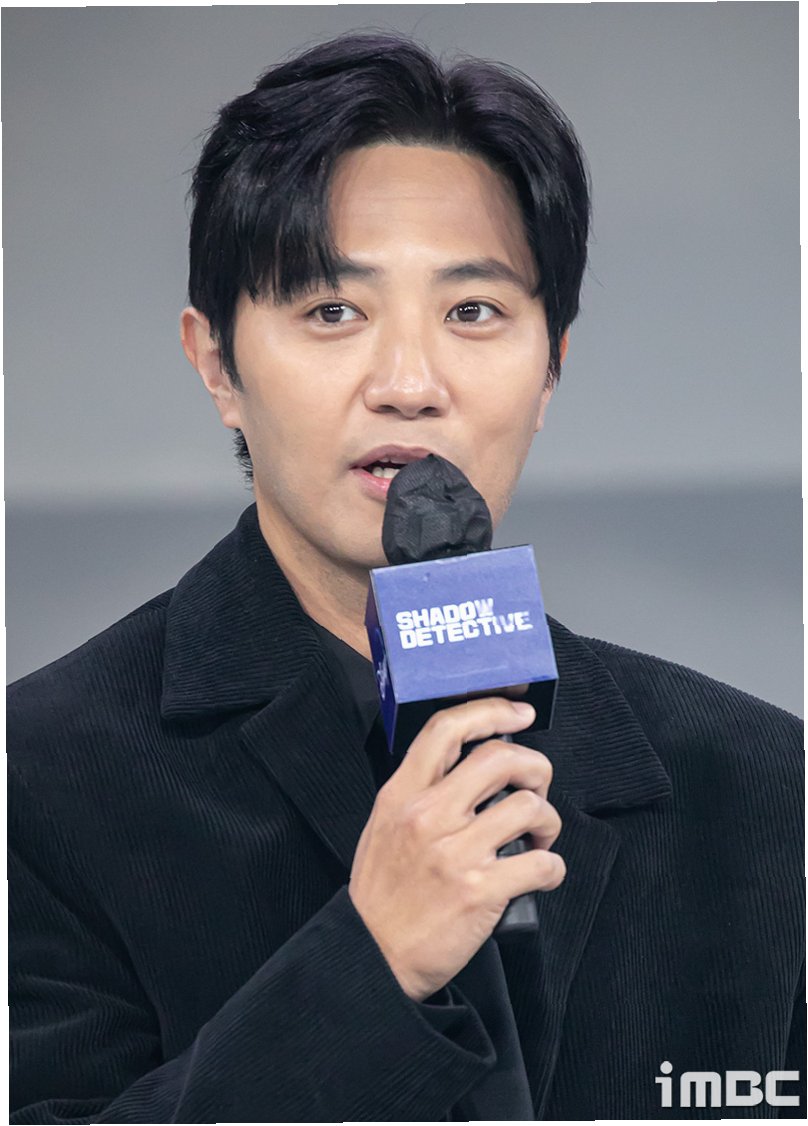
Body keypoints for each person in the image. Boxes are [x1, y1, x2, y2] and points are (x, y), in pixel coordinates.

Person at [8, 31, 803, 1123]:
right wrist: (369, 964)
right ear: (217, 363)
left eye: (472, 311)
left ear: (551, 370)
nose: (410, 382)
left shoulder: (763, 786)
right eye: (333, 311)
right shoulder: (36, 779)